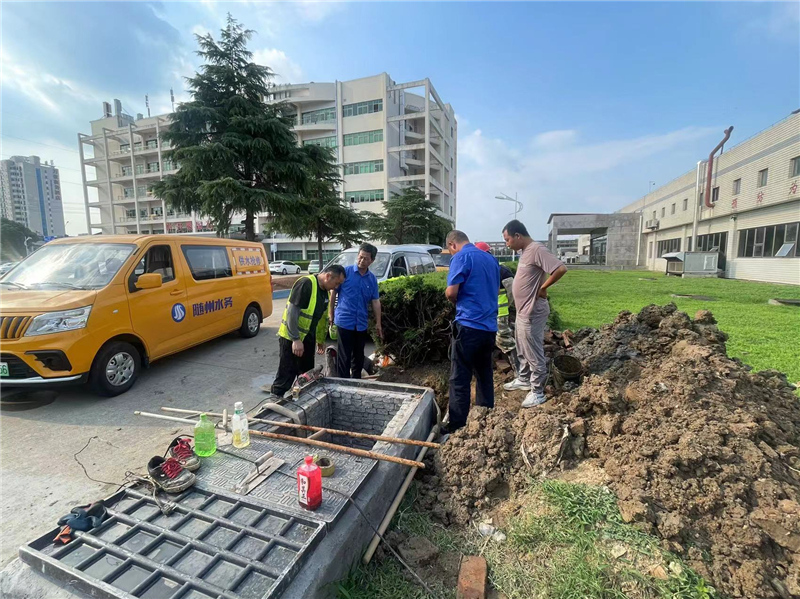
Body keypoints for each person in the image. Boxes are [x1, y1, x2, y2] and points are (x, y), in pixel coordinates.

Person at [501, 220, 567, 408]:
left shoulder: (537, 249)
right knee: (522, 346)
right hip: (523, 310)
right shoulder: (525, 252)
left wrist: (543, 288)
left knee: (533, 350)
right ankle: (524, 379)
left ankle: (538, 391)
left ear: (517, 236)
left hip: (532, 310)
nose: (507, 244)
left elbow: (560, 268)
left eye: (507, 240)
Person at [443, 230, 500, 433]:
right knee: (484, 375)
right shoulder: (490, 259)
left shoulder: (461, 257)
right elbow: (493, 290)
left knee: (460, 377)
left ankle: (457, 426)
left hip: (468, 325)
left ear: (452, 244)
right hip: (489, 327)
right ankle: (485, 421)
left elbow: (452, 292)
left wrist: (453, 299)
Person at [271, 264, 346, 397]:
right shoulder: (306, 284)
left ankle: (301, 400)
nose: (336, 287)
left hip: (308, 339)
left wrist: (320, 340)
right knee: (286, 374)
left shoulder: (325, 292)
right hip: (291, 338)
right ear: (328, 276)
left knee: (306, 375)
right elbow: (292, 312)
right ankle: (275, 400)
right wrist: (296, 339)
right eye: (336, 283)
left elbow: (321, 319)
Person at [330, 243, 383, 379]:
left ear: (372, 260)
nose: (361, 260)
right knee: (344, 357)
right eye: (360, 257)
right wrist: (331, 314)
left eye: (366, 258)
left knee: (358, 357)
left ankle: (356, 382)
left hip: (361, 323)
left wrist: (378, 323)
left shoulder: (372, 279)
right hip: (344, 321)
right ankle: (343, 383)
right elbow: (333, 292)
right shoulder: (345, 273)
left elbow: (375, 301)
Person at [474, 241, 519, 376]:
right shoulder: (481, 271)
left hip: (499, 313)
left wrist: (506, 306)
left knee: (505, 340)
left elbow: (512, 292)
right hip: (486, 313)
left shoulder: (501, 271)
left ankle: (520, 372)